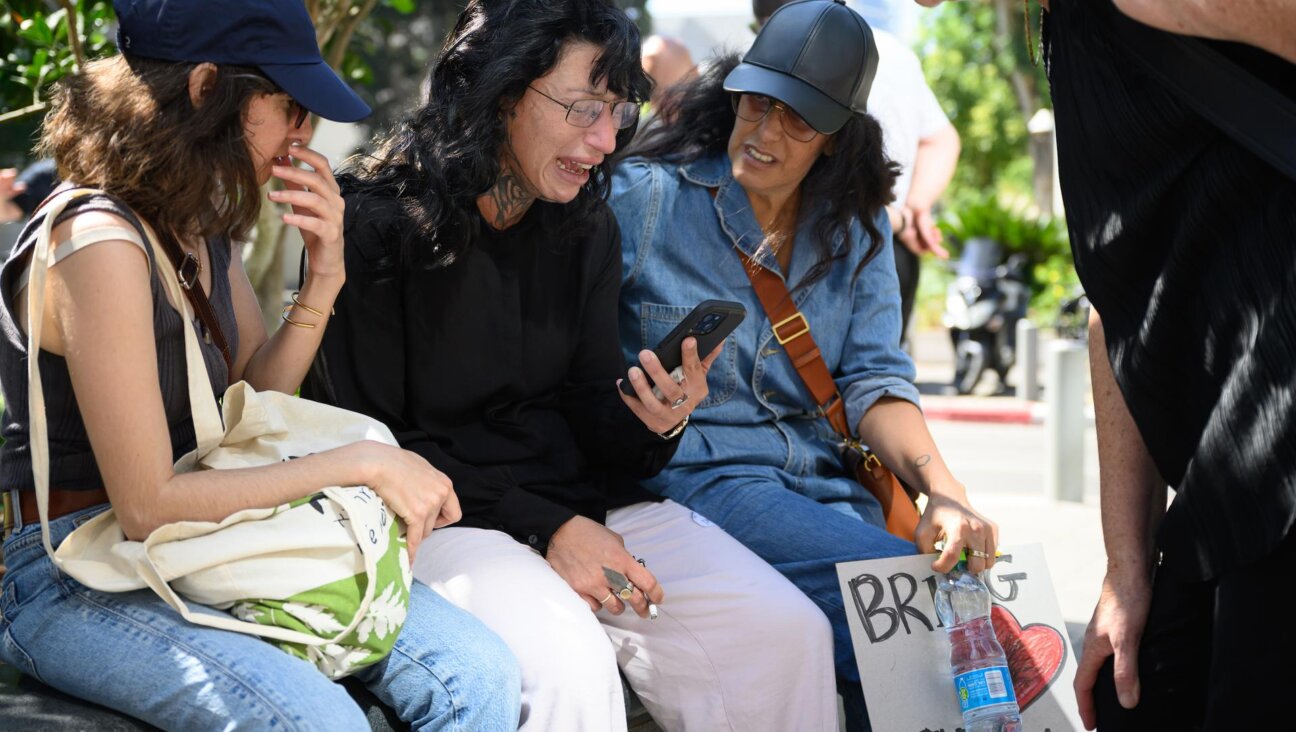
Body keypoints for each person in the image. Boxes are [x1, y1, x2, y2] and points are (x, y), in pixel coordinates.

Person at [303, 1, 839, 730]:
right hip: (438, 519)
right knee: (567, 665)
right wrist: (548, 526)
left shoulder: (585, 223)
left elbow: (586, 407)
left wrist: (652, 419)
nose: (601, 141)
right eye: (584, 109)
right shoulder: (375, 224)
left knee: (782, 631)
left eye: (616, 113)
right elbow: (380, 442)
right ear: (501, 92)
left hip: (580, 506)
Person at [0, 1, 520, 729]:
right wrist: (362, 465)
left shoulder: (197, 225)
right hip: (79, 570)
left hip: (205, 540)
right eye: (290, 107)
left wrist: (325, 275)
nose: (304, 135)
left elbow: (251, 401)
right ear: (207, 88)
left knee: (480, 676)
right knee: (318, 721)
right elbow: (146, 504)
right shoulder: (99, 242)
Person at [609, 1, 999, 728]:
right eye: (757, 103)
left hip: (827, 483)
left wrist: (946, 492)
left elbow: (876, 379)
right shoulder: (647, 197)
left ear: (837, 136)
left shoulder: (858, 226)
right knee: (912, 603)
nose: (763, 134)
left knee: (964, 612)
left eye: (798, 120)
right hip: (702, 477)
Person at [914, 0, 1296, 728]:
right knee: (1142, 691)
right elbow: (1117, 307)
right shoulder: (1071, 34)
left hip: (1278, 424)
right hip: (1232, 464)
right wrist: (1126, 570)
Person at [754, 0, 959, 345]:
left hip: (815, 240)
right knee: (878, 372)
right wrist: (912, 210)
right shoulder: (894, 52)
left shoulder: (775, 53)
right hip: (891, 242)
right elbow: (943, 138)